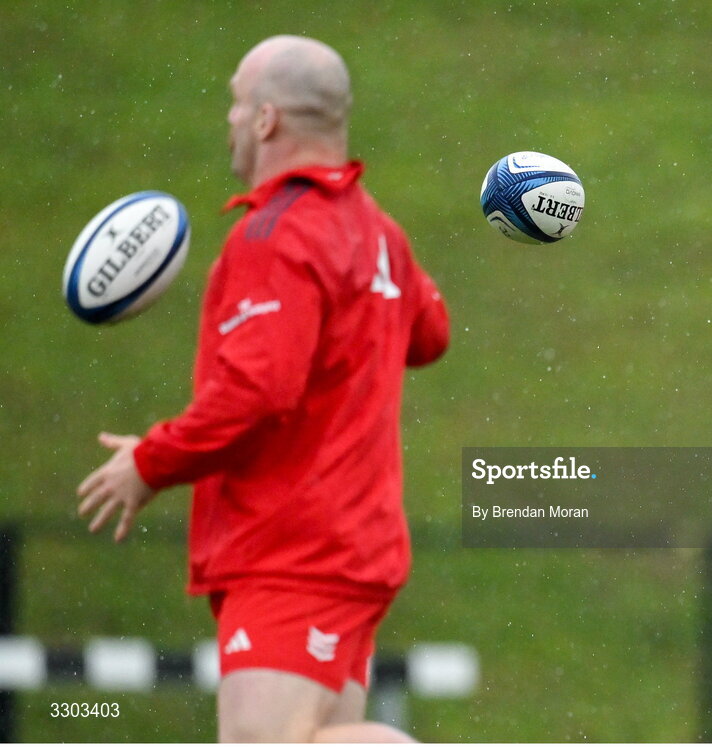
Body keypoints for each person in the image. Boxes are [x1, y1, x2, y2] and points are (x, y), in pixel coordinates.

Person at [76, 35, 449, 743]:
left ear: (267, 119)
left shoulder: (274, 235)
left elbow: (257, 393)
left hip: (292, 549)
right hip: (349, 547)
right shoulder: (377, 231)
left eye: (236, 102)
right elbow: (430, 333)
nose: (230, 119)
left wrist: (150, 461)